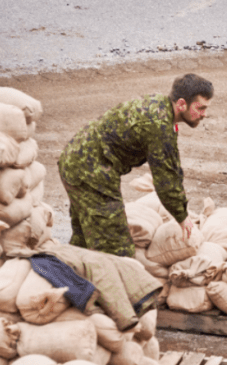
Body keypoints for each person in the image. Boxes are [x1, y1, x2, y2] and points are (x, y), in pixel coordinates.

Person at [57, 73, 213, 257]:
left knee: (84, 237)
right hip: (90, 171)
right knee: (116, 248)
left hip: (76, 161)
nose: (204, 114)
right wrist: (182, 218)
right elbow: (166, 181)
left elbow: (171, 165)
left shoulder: (161, 107)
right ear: (181, 104)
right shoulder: (159, 125)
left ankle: (73, 278)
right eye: (200, 108)